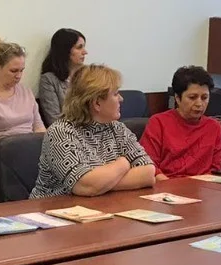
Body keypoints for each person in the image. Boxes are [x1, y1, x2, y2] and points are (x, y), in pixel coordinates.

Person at [30, 64, 155, 198]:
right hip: (54, 208)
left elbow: (148, 173)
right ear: (97, 103)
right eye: (115, 94)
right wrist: (123, 164)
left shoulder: (117, 128)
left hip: (101, 205)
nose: (121, 99)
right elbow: (85, 186)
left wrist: (101, 184)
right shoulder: (60, 133)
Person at [140, 65, 221, 178]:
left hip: (203, 185)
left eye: (204, 98)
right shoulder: (158, 123)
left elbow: (216, 169)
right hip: (167, 184)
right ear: (177, 98)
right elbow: (148, 165)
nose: (199, 104)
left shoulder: (214, 127)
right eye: (192, 97)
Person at [0, 36, 44, 153]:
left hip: (32, 150)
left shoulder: (26, 92)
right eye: (14, 71)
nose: (19, 76)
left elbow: (39, 127)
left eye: (22, 70)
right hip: (5, 153)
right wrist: (10, 149)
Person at [37, 27, 88, 125]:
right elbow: (54, 120)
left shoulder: (88, 75)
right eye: (79, 47)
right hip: (66, 132)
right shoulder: (49, 80)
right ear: (65, 50)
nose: (85, 52)